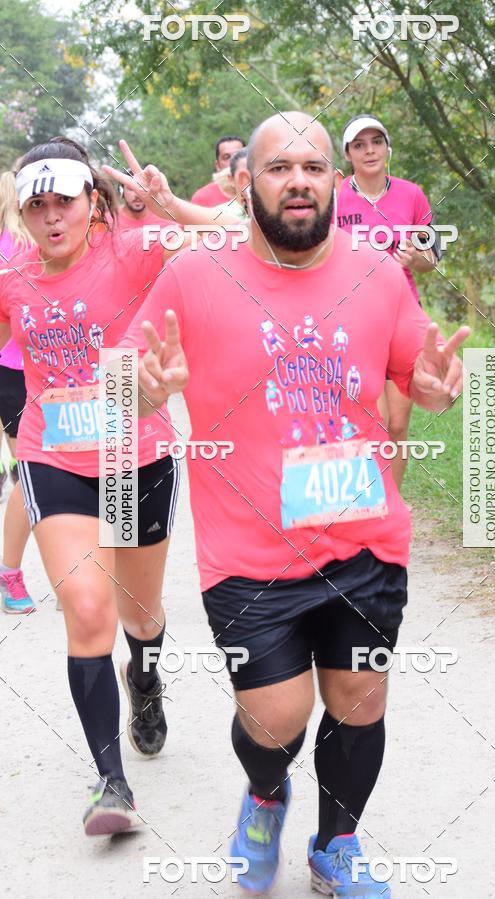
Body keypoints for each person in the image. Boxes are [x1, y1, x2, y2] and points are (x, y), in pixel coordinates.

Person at [116, 113, 468, 897]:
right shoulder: (195, 274)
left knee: (360, 697)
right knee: (275, 718)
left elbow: (419, 364)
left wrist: (442, 387)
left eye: (313, 165)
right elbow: (129, 375)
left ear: (335, 182)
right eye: (279, 167)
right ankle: (265, 794)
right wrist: (144, 387)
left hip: (366, 537)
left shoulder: (377, 270)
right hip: (249, 554)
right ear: (247, 183)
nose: (299, 180)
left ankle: (336, 843)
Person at [0, 137, 191, 836]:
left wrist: (169, 204)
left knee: (139, 615)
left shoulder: (133, 246)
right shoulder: (12, 274)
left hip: (132, 454)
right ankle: (112, 785)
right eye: (36, 205)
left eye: (65, 202)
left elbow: (239, 236)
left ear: (93, 202)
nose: (52, 218)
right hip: (53, 455)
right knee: (86, 610)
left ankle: (143, 676)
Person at [337, 114, 440, 490]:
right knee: (371, 423)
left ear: (387, 148)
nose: (369, 151)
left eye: (375, 142)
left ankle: (391, 508)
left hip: (402, 318)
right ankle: (367, 507)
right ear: (348, 153)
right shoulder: (333, 199)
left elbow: (431, 260)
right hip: (353, 323)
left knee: (397, 425)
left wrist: (417, 258)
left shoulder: (412, 195)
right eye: (359, 145)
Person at [0, 169, 36, 614]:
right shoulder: (20, 248)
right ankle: (10, 573)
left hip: (83, 374)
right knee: (31, 476)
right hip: (20, 373)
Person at [191, 134, 245, 206]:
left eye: (238, 155)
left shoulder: (260, 189)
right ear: (218, 165)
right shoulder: (202, 198)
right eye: (227, 157)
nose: (233, 161)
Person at [117, 168, 165, 232]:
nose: (137, 195)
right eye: (131, 189)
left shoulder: (166, 218)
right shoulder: (107, 221)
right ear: (121, 191)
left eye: (142, 188)